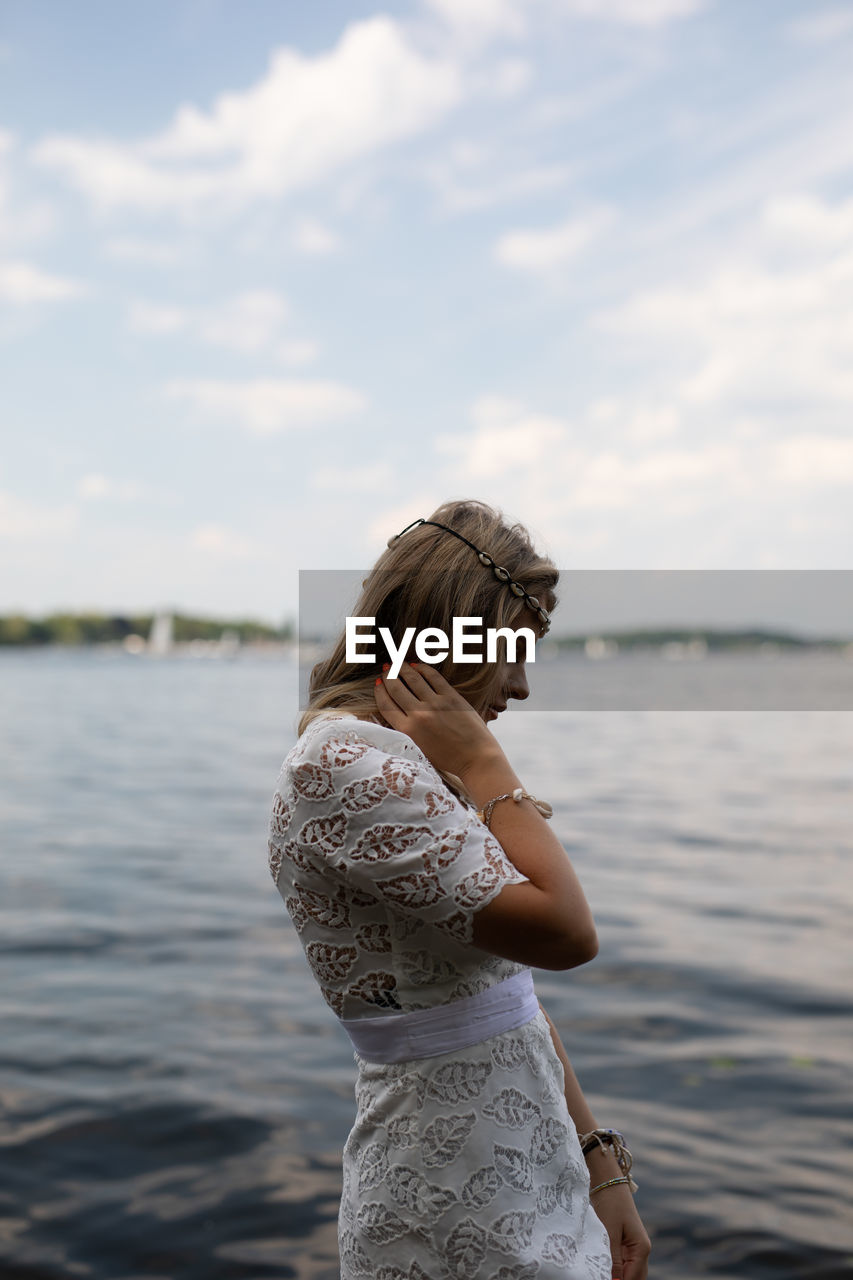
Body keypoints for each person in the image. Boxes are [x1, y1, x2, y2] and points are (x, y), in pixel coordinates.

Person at [268, 499, 651, 1280]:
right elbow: (568, 936)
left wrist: (597, 1162)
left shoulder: (402, 760)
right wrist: (486, 768)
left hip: (519, 1158)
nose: (519, 687)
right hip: (450, 1190)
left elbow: (506, 994)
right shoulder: (344, 765)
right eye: (514, 648)